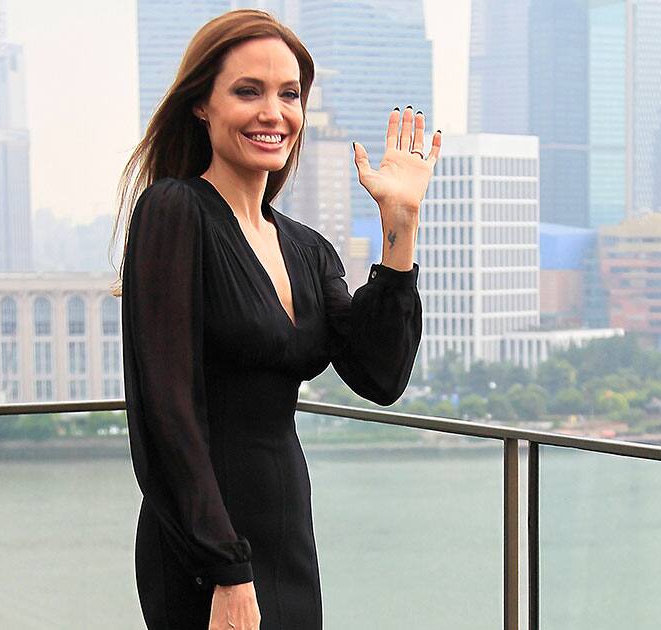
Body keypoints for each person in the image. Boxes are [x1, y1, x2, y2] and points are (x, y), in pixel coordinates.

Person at [110, 9, 440, 629]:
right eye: (248, 92)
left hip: (286, 534)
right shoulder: (175, 211)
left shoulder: (307, 248)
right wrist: (226, 569)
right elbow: (166, 408)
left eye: (289, 95)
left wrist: (401, 221)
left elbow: (380, 375)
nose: (273, 113)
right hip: (202, 545)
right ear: (201, 106)